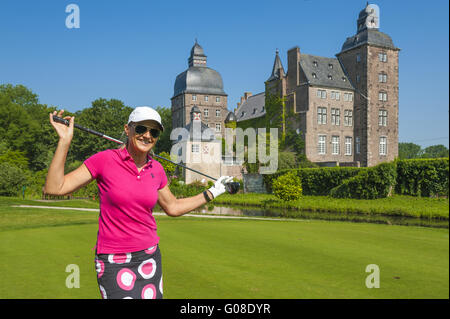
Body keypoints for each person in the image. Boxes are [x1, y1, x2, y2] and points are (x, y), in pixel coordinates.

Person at [44, 106, 233, 299]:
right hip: (113, 259)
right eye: (141, 129)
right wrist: (65, 141)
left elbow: (173, 207)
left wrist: (212, 192)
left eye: (154, 132)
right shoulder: (105, 160)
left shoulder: (157, 169)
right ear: (128, 129)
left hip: (149, 255)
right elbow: (55, 188)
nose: (147, 135)